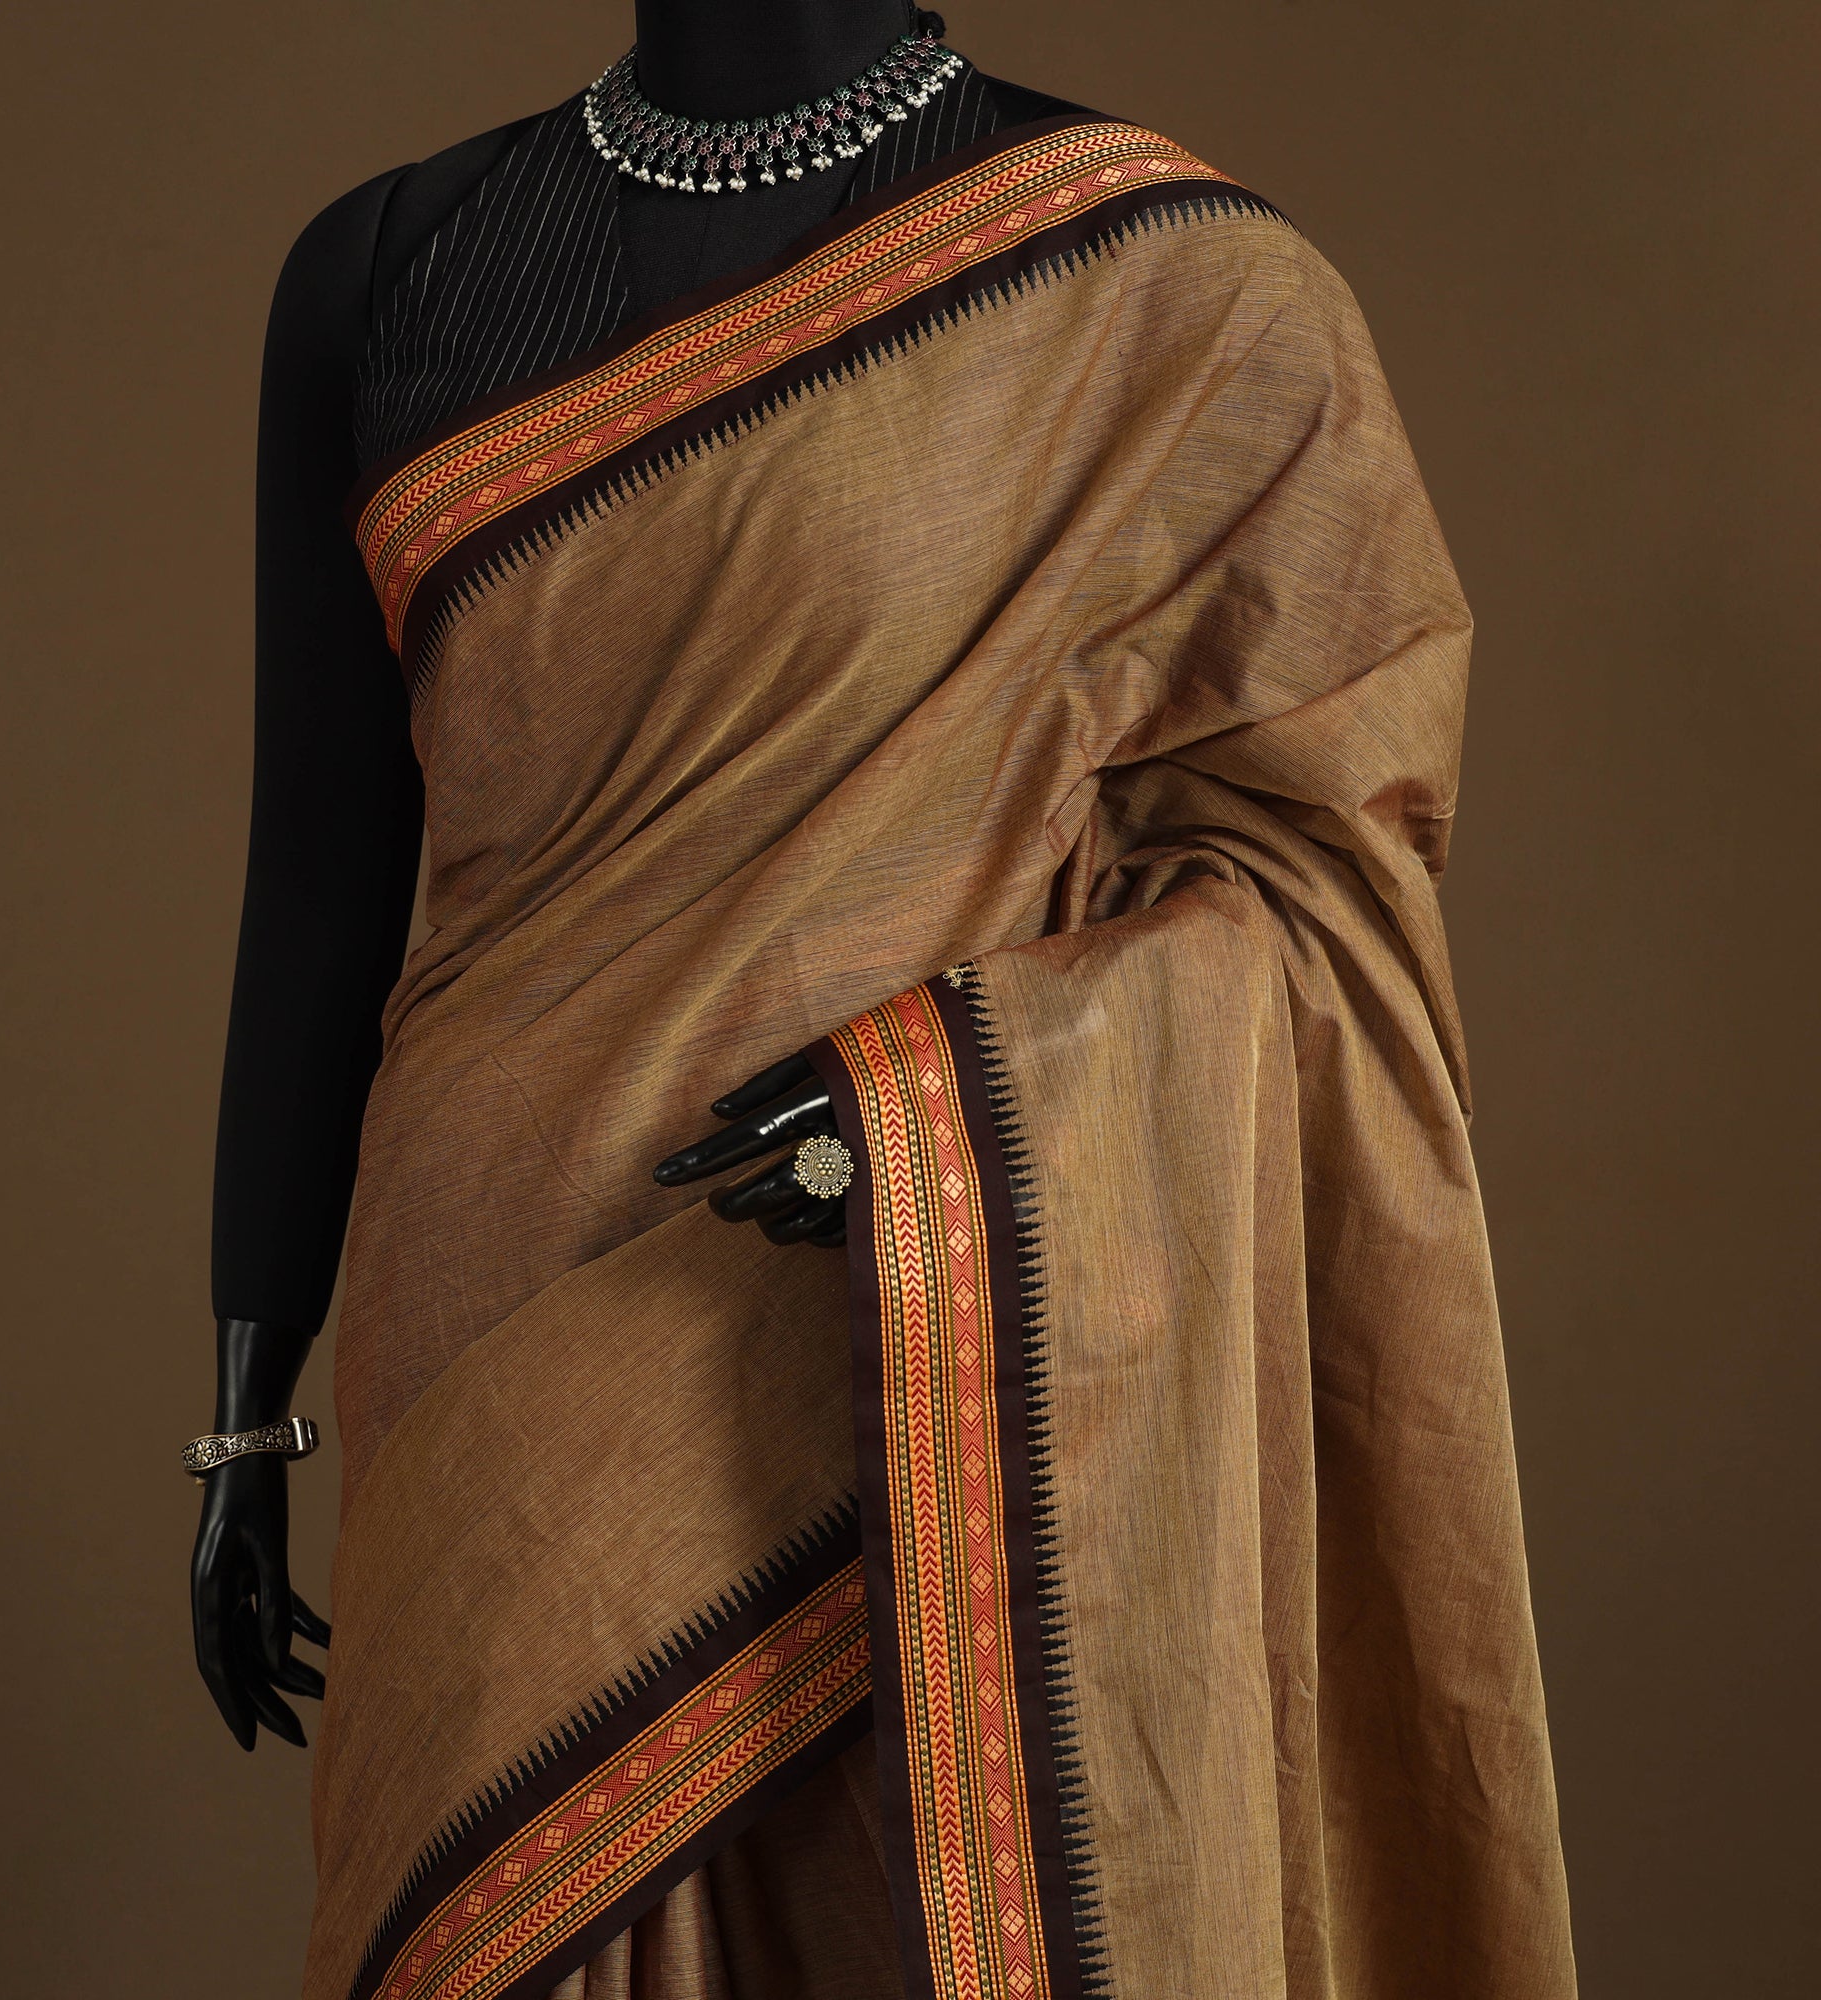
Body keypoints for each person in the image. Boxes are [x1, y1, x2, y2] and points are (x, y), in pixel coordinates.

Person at [189, 6, 1579, 1995]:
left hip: (881, 1312)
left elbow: (1308, 875)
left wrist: (943, 1106)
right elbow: (320, 882)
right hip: (478, 1308)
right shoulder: (390, 268)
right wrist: (245, 1421)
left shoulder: (1162, 283)